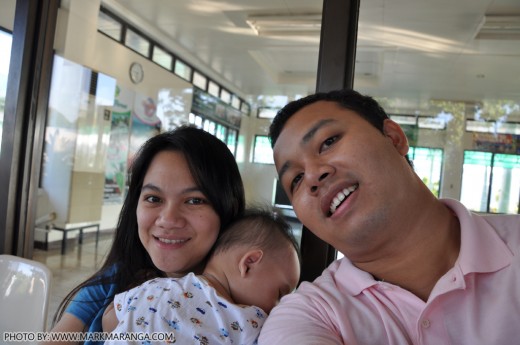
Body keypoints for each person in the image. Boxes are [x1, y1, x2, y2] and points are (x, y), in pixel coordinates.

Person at [258, 89, 520, 345]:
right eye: (296, 179)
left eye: (328, 142)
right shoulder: (308, 315)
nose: (313, 176)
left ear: (394, 138)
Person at [45, 125, 246, 344]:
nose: (168, 220)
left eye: (194, 200)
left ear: (228, 208)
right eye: (153, 198)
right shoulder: (109, 286)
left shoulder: (246, 310)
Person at [102, 207, 300, 344]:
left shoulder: (156, 286)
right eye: (280, 293)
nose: (278, 306)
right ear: (248, 264)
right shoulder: (250, 320)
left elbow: (110, 318)